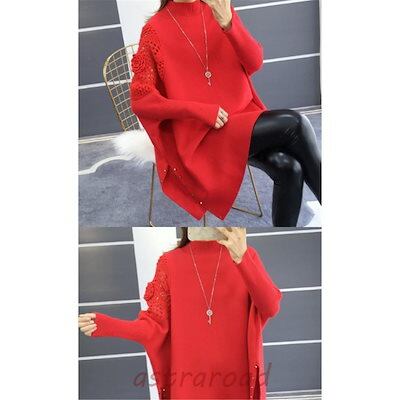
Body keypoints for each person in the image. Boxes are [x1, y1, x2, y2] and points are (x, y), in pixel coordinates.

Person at [129, 0, 321, 226]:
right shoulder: (154, 30)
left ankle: (284, 234)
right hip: (202, 136)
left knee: (289, 167)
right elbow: (142, 101)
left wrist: (229, 24)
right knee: (295, 123)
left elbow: (254, 62)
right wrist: (197, 110)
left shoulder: (219, 7)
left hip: (245, 118)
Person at [78, 227, 282, 399]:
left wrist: (242, 258)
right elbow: (153, 327)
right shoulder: (169, 263)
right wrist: (110, 326)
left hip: (237, 383)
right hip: (188, 385)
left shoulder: (246, 256)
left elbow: (270, 306)